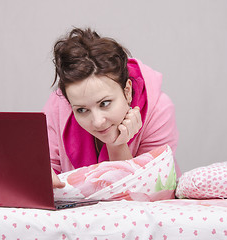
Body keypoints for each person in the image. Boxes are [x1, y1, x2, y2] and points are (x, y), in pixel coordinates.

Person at [43, 28, 180, 188]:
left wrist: (117, 145)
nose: (98, 122)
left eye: (105, 103)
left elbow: (150, 190)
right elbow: (45, 172)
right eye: (81, 110)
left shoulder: (159, 110)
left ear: (127, 91)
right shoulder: (58, 106)